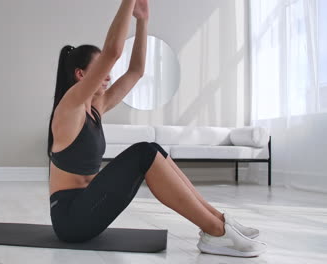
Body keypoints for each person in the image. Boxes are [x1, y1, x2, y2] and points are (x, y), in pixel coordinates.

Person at [47, 0, 266, 258]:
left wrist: (142, 21)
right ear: (81, 75)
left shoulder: (97, 108)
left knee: (152, 149)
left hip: (90, 206)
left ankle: (219, 221)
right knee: (143, 153)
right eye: (101, 71)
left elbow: (136, 71)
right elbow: (113, 52)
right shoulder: (69, 107)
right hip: (72, 220)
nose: (108, 76)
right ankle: (215, 232)